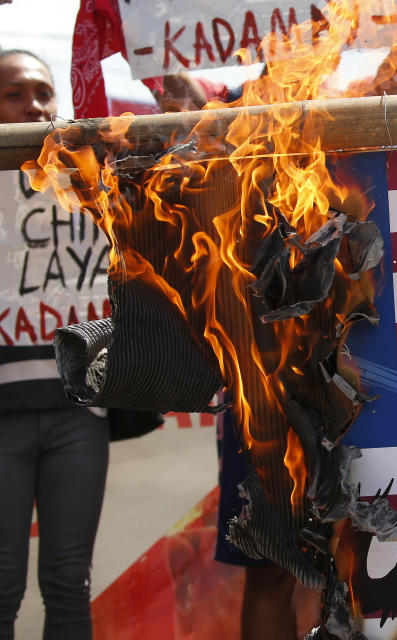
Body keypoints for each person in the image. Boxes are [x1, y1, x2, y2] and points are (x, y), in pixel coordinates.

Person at [0, 50, 110, 640]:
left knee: (70, 583)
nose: (33, 105)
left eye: (43, 93)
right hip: (2, 418)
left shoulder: (88, 182)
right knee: (0, 587)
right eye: (15, 93)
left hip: (77, 417)